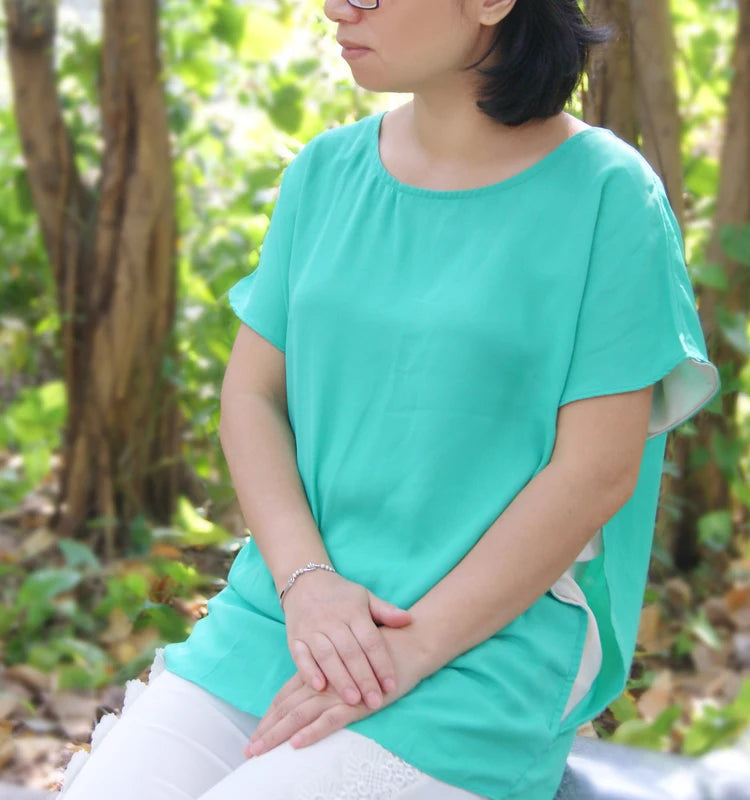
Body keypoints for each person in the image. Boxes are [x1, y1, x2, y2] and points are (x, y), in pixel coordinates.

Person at [57, 1, 720, 799]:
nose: (340, 5)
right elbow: (252, 397)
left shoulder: (609, 195)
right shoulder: (324, 173)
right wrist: (307, 584)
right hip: (286, 618)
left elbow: (596, 473)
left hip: (479, 652)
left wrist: (408, 652)